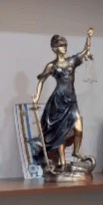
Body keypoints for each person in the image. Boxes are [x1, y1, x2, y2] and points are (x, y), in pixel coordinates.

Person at [32, 29, 93, 171]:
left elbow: (85, 52)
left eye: (65, 45)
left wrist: (89, 38)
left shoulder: (71, 61)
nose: (64, 47)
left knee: (78, 128)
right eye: (60, 45)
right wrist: (37, 96)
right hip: (58, 102)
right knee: (60, 133)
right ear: (54, 48)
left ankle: (76, 152)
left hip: (71, 101)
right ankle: (63, 163)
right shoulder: (51, 66)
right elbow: (42, 80)